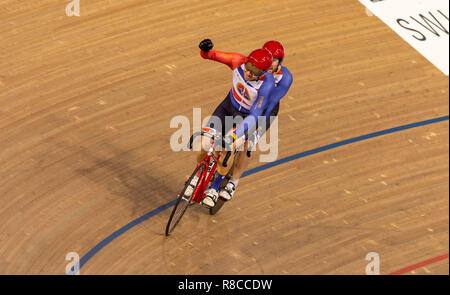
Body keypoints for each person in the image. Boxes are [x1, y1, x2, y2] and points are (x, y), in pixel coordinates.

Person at [195, 38, 275, 208]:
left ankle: (215, 188)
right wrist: (205, 50)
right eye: (248, 68)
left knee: (227, 149)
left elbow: (254, 116)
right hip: (226, 108)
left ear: (263, 74)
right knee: (203, 144)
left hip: (245, 118)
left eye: (254, 73)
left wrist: (233, 136)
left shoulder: (267, 85)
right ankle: (196, 177)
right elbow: (210, 55)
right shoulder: (238, 60)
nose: (248, 73)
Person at [218, 41, 293, 202]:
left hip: (264, 109)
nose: (270, 63)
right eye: (268, 58)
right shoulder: (257, 68)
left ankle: (233, 182)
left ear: (280, 61)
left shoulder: (285, 78)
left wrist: (254, 131)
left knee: (247, 144)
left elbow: (268, 104)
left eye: (274, 60)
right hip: (245, 102)